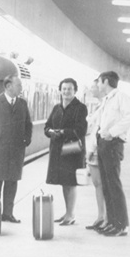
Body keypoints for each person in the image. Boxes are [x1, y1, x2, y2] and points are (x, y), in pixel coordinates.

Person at [0, 74, 33, 223]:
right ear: (9, 86)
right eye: (19, 85)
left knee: (12, 183)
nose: (21, 88)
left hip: (16, 151)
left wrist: (26, 140)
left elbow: (28, 124)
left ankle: (8, 214)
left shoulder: (22, 104)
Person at [94, 71, 130, 237]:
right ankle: (112, 222)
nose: (98, 85)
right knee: (106, 184)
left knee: (113, 184)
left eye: (99, 82)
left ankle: (121, 225)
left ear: (106, 81)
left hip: (113, 143)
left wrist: (112, 132)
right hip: (104, 143)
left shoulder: (121, 97)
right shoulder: (107, 99)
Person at [43, 78, 88, 225]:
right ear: (60, 90)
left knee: (70, 182)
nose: (66, 91)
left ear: (75, 91)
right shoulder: (57, 107)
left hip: (72, 149)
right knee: (64, 182)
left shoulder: (80, 108)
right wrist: (50, 131)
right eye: (64, 88)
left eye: (69, 89)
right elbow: (47, 126)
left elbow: (81, 130)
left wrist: (62, 132)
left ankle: (71, 215)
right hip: (57, 150)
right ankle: (67, 213)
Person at [83, 79, 107, 230]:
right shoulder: (100, 104)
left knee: (101, 185)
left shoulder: (105, 104)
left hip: (97, 149)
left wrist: (91, 150)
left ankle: (104, 218)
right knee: (98, 185)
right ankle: (101, 216)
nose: (92, 88)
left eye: (94, 85)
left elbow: (99, 129)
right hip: (94, 149)